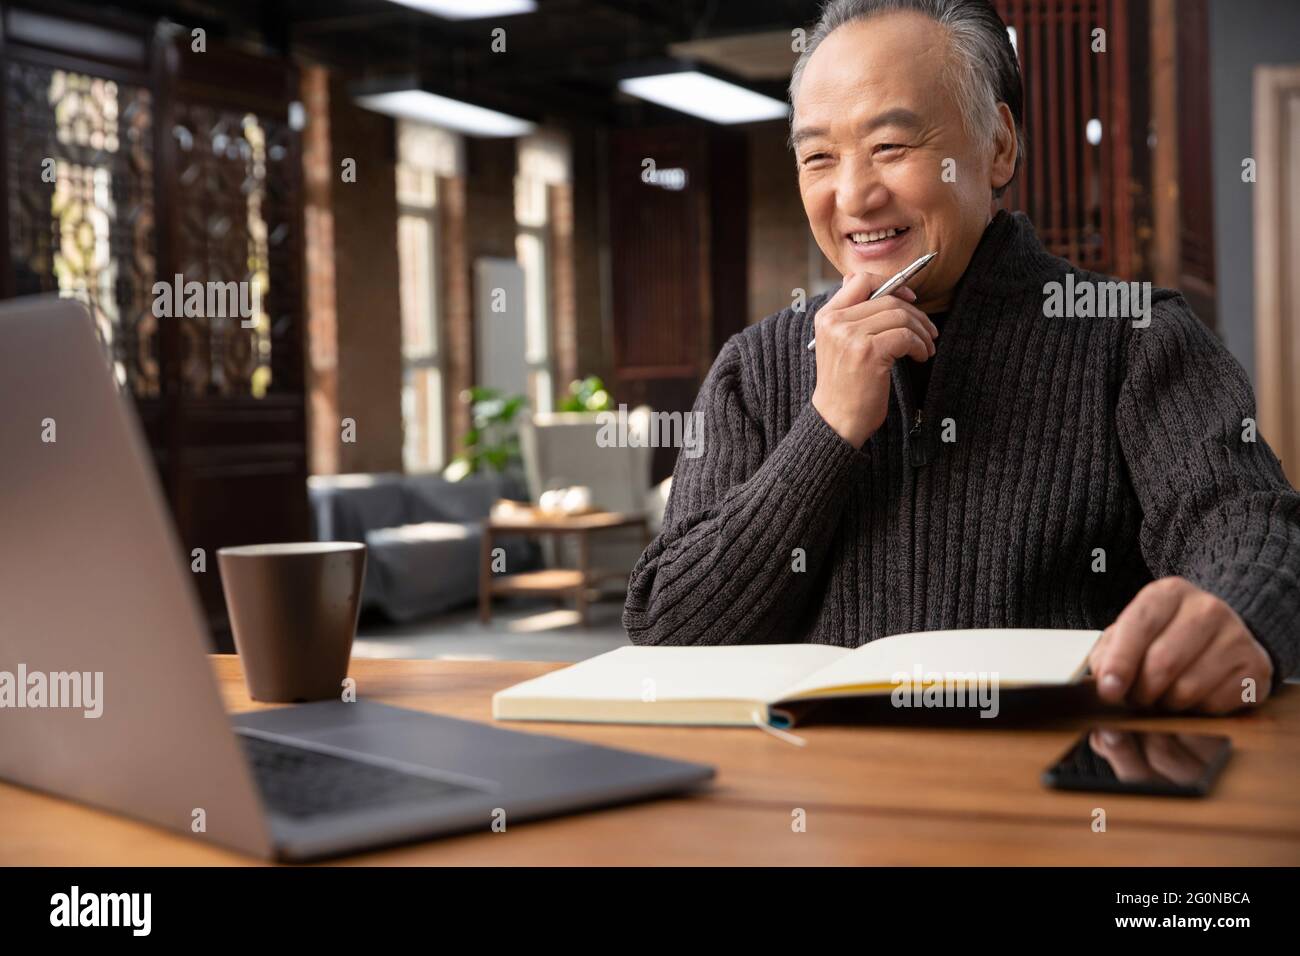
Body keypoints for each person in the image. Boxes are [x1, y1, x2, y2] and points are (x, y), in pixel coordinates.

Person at [622, 0, 1299, 715]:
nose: (853, 194)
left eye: (890, 146)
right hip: (820, 802)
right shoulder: (754, 367)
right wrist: (827, 428)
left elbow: (1249, 525)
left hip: (1059, 793)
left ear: (998, 146)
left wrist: (1237, 613)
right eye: (819, 155)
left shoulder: (1135, 337)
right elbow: (669, 631)